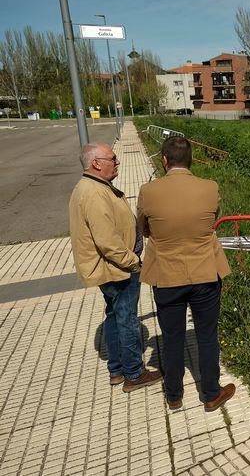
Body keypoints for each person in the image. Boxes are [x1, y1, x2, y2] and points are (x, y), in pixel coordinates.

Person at [137, 136, 235, 411]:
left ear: (164, 160)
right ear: (191, 161)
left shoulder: (148, 191)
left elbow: (143, 227)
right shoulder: (209, 187)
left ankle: (174, 395)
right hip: (205, 272)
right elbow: (214, 218)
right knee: (207, 334)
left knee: (171, 336)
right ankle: (211, 393)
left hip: (166, 275)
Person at [69, 143, 162, 392]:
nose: (117, 162)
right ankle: (134, 373)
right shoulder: (94, 193)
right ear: (96, 163)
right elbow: (107, 241)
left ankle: (117, 369)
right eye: (113, 158)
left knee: (114, 314)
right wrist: (133, 262)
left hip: (112, 267)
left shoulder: (94, 187)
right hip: (117, 268)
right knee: (126, 318)